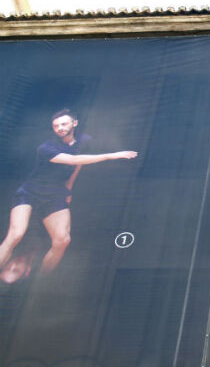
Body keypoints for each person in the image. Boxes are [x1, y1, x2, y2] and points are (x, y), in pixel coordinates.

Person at [0, 109, 138, 275]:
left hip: (56, 195)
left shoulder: (84, 140)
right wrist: (112, 155)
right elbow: (73, 160)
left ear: (74, 123)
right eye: (56, 126)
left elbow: (78, 165)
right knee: (16, 234)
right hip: (31, 192)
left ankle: (42, 278)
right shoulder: (45, 148)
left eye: (63, 124)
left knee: (62, 240)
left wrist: (69, 188)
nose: (59, 128)